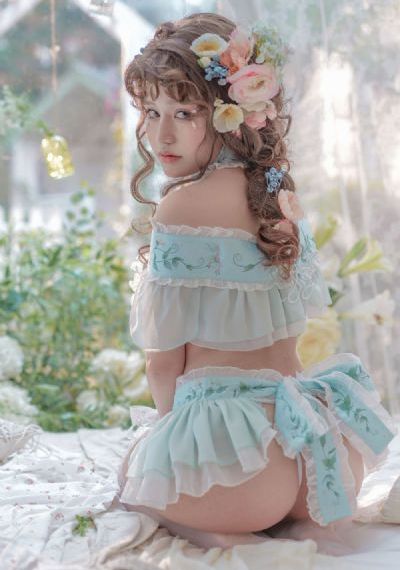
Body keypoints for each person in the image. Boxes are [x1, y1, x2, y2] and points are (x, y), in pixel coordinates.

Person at [116, 12, 397, 551]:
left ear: (229, 114)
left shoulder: (182, 205)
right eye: (151, 112)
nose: (161, 134)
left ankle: (225, 531)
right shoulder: (274, 192)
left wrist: (166, 444)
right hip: (318, 450)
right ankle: (279, 521)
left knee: (132, 475)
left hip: (242, 466)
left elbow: (164, 363)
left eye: (184, 112)